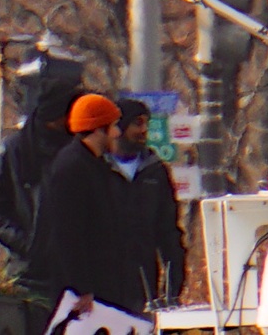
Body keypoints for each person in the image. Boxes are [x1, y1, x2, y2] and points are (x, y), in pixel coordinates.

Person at [25, 93, 142, 315]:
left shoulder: (95, 165)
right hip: (83, 294)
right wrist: (82, 287)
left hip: (103, 286)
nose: (117, 133)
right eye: (114, 126)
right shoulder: (72, 168)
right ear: (99, 128)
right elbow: (67, 234)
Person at [0, 86, 81, 265]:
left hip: (76, 268)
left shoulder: (79, 152)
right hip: (28, 270)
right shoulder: (13, 151)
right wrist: (28, 245)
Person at [110, 99, 186, 307]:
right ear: (118, 126)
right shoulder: (97, 169)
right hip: (102, 286)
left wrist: (172, 290)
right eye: (137, 123)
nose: (144, 130)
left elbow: (169, 233)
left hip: (144, 286)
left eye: (146, 124)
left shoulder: (155, 171)